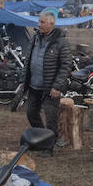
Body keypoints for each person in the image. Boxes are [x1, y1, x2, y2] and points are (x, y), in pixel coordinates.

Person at [20, 11, 71, 152]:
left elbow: (65, 66)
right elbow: (27, 61)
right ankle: (41, 138)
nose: (39, 24)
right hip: (34, 85)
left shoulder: (61, 42)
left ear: (51, 23)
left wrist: (57, 86)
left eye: (42, 22)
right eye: (39, 21)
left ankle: (48, 147)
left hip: (50, 87)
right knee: (31, 113)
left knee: (51, 118)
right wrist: (23, 80)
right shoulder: (35, 38)